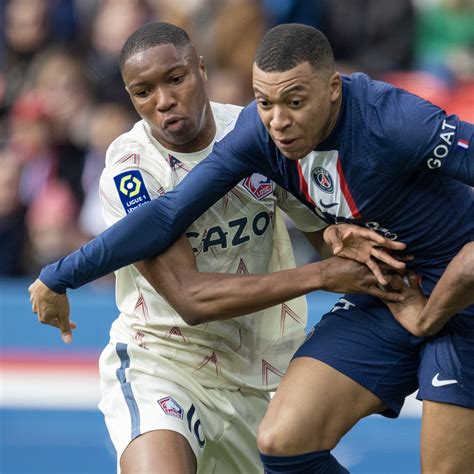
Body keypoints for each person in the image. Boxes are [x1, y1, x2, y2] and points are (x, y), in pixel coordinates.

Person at [29, 23, 474, 472]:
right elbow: (178, 252)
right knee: (284, 442)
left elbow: (327, 233)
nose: (278, 120)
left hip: (427, 305)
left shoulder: (384, 121)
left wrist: (349, 244)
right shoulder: (219, 145)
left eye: (294, 102)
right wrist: (60, 273)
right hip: (176, 358)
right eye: (143, 91)